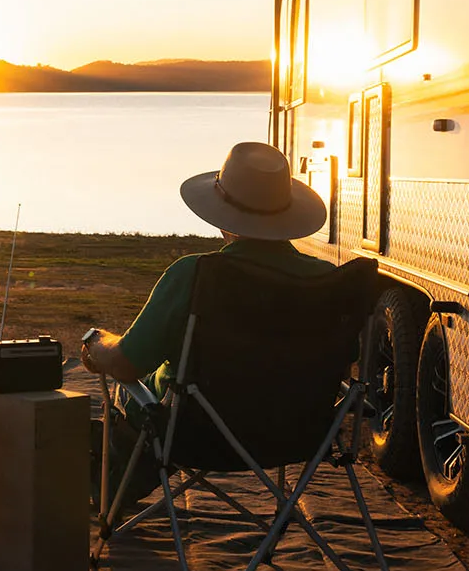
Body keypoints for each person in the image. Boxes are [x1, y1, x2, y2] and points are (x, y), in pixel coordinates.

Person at [78, 141, 333, 505]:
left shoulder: (195, 275)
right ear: (286, 213)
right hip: (301, 435)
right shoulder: (326, 281)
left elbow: (124, 364)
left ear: (222, 214)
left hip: (197, 436)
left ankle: (107, 492)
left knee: (137, 394)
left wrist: (96, 343)